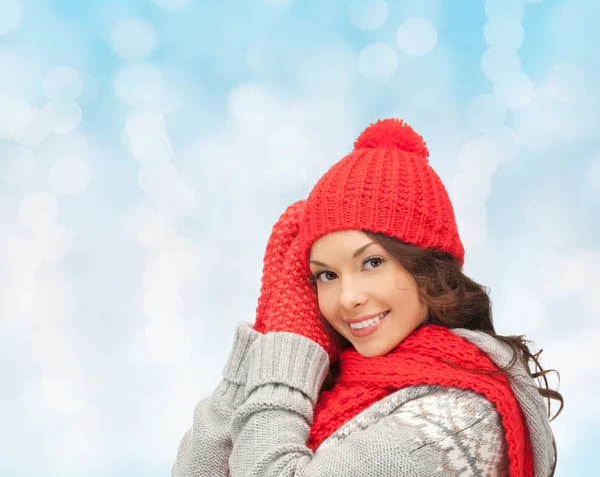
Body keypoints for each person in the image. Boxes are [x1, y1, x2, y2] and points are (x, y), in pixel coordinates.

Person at [172, 118, 563, 476]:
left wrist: (286, 351)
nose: (347, 298)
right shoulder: (333, 380)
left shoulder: (458, 418)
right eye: (326, 274)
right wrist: (269, 337)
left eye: (372, 262)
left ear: (427, 267)